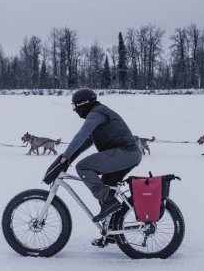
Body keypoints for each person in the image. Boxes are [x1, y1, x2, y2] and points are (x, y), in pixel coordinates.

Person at [59, 88, 142, 222]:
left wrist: (66, 156)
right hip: (128, 155)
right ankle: (111, 231)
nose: (75, 109)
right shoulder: (98, 113)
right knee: (105, 190)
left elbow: (81, 135)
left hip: (126, 153)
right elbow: (85, 142)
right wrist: (69, 158)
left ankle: (110, 202)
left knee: (83, 167)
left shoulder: (97, 113)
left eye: (75, 105)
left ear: (83, 104)